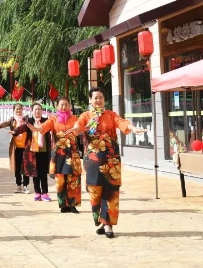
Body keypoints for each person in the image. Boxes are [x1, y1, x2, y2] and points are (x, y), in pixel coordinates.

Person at [71, 86, 146, 238]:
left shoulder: (111, 115)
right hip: (93, 161)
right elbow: (78, 125)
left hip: (111, 161)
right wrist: (75, 129)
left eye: (101, 97)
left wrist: (133, 128)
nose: (98, 100)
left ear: (104, 100)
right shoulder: (86, 115)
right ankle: (101, 220)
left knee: (111, 192)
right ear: (90, 100)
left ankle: (108, 224)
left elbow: (122, 122)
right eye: (95, 98)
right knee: (95, 192)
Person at [29, 97, 81, 213]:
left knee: (73, 179)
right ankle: (63, 205)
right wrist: (36, 129)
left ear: (69, 106)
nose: (64, 107)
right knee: (60, 180)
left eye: (66, 105)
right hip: (59, 154)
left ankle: (73, 204)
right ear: (57, 106)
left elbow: (79, 127)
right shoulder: (53, 119)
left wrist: (78, 128)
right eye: (61, 105)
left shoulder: (74, 118)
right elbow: (44, 127)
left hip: (72, 154)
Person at [13, 102, 52, 201]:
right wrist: (15, 132)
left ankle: (45, 193)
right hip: (32, 151)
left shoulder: (46, 121)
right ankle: (37, 192)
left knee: (43, 173)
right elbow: (22, 128)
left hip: (44, 150)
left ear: (42, 110)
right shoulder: (29, 121)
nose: (38, 111)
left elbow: (52, 127)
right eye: (36, 109)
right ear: (32, 111)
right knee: (35, 173)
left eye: (39, 109)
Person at [0, 103, 30, 194]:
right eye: (16, 109)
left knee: (25, 167)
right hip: (16, 147)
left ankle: (25, 185)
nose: (18, 111)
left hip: (26, 147)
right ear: (14, 111)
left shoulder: (26, 119)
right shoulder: (12, 120)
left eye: (20, 109)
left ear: (23, 110)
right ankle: (18, 185)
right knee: (17, 167)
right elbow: (5, 123)